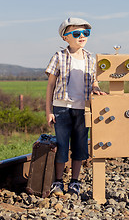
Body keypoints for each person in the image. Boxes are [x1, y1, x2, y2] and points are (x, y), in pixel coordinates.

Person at [45, 17, 106, 196]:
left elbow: (95, 82)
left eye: (85, 33)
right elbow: (50, 85)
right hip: (61, 107)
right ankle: (57, 182)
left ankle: (75, 181)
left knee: (80, 145)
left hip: (82, 108)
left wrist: (97, 90)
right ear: (65, 37)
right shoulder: (59, 57)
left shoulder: (91, 58)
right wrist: (48, 111)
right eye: (77, 33)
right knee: (62, 145)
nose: (82, 36)